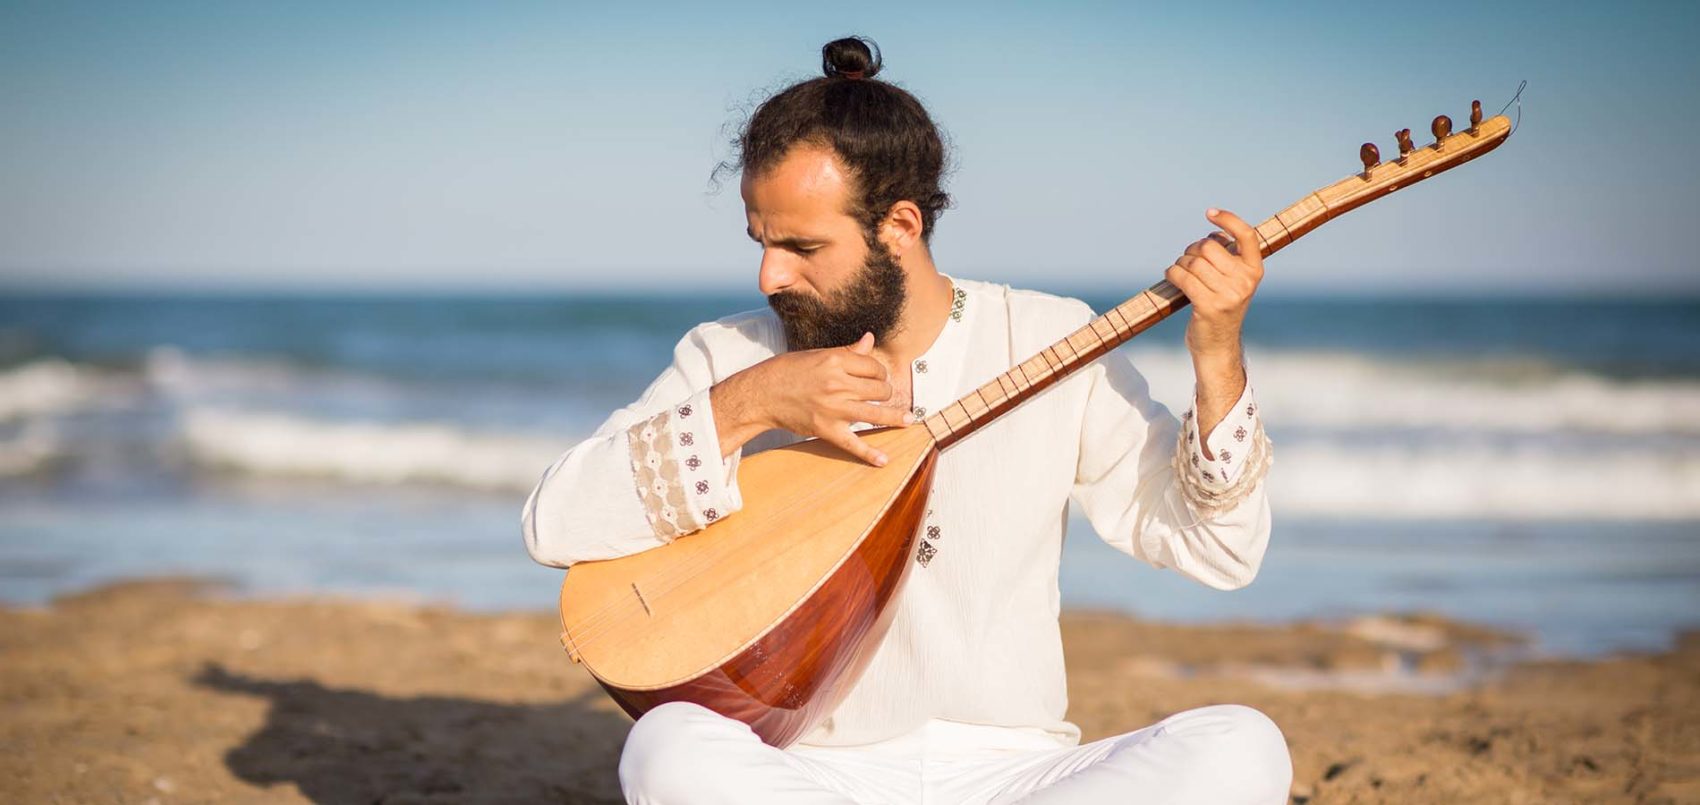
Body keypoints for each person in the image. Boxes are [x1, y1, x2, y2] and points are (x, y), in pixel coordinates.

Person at [522, 35, 1289, 805]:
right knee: (667, 746)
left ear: (900, 226)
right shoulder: (735, 351)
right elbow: (554, 522)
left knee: (1240, 745)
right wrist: (750, 403)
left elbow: (1218, 549)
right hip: (809, 771)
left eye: (803, 246)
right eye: (761, 242)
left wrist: (1217, 350)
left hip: (1015, 771)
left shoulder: (1051, 338)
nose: (770, 275)